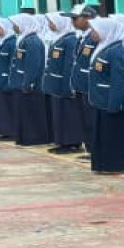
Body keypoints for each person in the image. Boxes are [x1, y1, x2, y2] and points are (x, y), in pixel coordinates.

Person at [86, 17, 124, 175]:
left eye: (95, 30)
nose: (92, 33)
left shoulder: (118, 51)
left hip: (113, 102)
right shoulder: (104, 48)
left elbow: (120, 81)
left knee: (116, 135)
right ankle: (104, 164)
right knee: (105, 135)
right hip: (101, 100)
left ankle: (120, 165)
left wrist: (114, 104)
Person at [41, 12, 85, 154]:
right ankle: (62, 141)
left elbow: (69, 65)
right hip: (56, 84)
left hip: (64, 85)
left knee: (68, 114)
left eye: (52, 22)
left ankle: (72, 143)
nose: (50, 25)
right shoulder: (58, 38)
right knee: (59, 114)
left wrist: (67, 86)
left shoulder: (70, 40)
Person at [63, 4, 102, 159]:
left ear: (88, 18)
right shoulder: (83, 37)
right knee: (85, 120)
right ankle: (90, 149)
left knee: (92, 120)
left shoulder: (95, 36)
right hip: (81, 85)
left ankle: (96, 150)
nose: (72, 22)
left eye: (75, 18)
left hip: (89, 86)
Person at [10, 12, 53, 147]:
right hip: (21, 82)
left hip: (31, 85)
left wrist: (28, 83)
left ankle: (35, 138)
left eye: (16, 25)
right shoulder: (24, 39)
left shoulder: (33, 42)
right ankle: (25, 138)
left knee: (32, 113)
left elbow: (33, 65)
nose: (14, 27)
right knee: (24, 112)